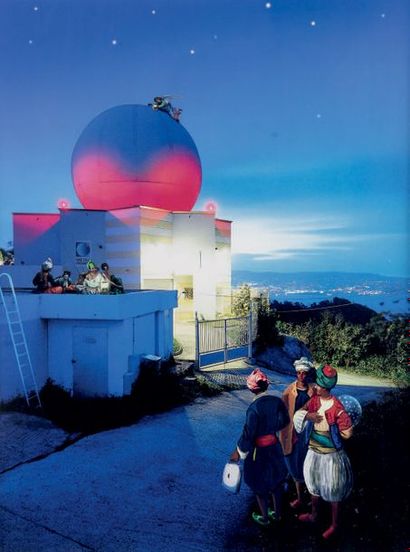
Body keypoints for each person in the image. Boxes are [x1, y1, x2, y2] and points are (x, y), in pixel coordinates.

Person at [293, 364, 353, 540]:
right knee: (314, 484)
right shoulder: (314, 401)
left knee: (333, 488)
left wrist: (339, 428)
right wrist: (307, 416)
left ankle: (334, 524)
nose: (315, 387)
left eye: (318, 385)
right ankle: (314, 515)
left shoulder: (337, 407)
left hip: (331, 456)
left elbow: (348, 432)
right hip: (314, 451)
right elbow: (299, 413)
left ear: (325, 387)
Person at [229, 369, 289, 527]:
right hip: (275, 448)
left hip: (259, 452)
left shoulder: (254, 409)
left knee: (258, 484)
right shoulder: (277, 402)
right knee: (277, 480)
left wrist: (238, 452)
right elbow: (285, 422)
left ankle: (264, 517)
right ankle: (277, 514)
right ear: (266, 386)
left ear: (251, 388)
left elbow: (248, 435)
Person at [279, 357, 316, 509]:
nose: (302, 376)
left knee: (310, 464)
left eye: (305, 373)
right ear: (296, 374)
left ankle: (312, 495)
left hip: (309, 433)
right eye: (299, 373)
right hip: (293, 433)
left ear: (308, 374)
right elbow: (282, 413)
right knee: (294, 463)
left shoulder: (314, 390)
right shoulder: (289, 391)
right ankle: (300, 497)